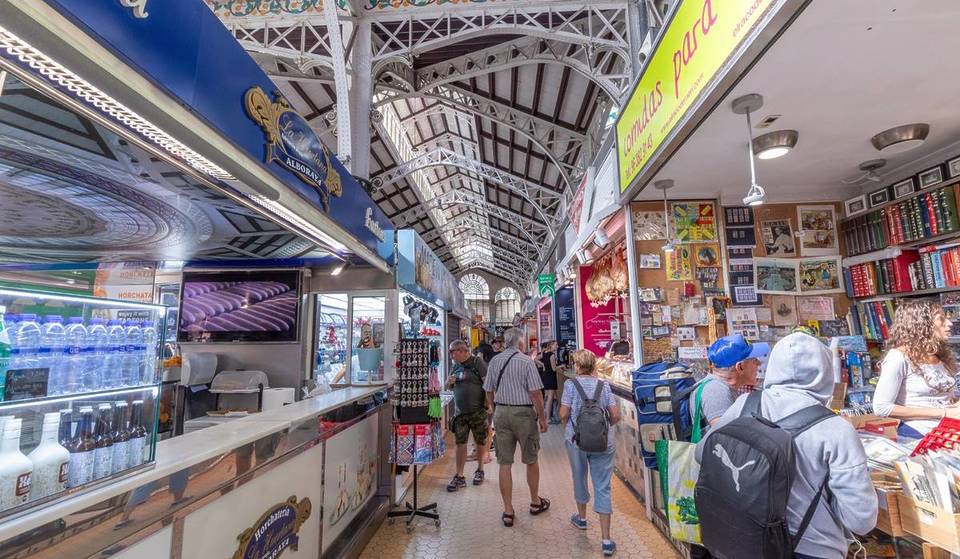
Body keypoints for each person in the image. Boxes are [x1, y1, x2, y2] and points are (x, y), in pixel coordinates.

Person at [697, 331, 877, 559]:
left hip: (747, 539)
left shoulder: (746, 404)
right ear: (824, 371)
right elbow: (860, 519)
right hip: (813, 549)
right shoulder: (837, 429)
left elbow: (702, 452)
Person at [483, 327, 549, 527]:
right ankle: (535, 502)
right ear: (520, 343)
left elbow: (488, 390)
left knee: (505, 463)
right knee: (530, 459)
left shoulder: (495, 361)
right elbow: (536, 393)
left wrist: (496, 408)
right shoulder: (526, 361)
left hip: (501, 413)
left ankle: (508, 511)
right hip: (523, 414)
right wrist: (543, 419)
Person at [559, 350, 620, 556]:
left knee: (579, 477)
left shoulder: (570, 385)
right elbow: (615, 415)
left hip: (577, 441)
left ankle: (582, 519)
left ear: (577, 366)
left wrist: (570, 424)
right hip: (604, 442)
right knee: (603, 486)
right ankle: (606, 539)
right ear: (594, 365)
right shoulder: (604, 386)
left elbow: (564, 414)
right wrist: (603, 429)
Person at [874, 300, 960, 436]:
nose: (949, 323)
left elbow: (944, 397)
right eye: (941, 319)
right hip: (918, 434)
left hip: (948, 432)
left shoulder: (939, 355)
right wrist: (944, 412)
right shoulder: (898, 357)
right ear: (922, 324)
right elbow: (882, 407)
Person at [689, 334, 768, 433]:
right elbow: (728, 439)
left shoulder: (722, 387)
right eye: (754, 360)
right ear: (740, 367)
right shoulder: (716, 391)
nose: (759, 363)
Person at [446, 340, 489, 491]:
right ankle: (459, 476)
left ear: (463, 351)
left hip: (478, 411)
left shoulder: (478, 363)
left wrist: (489, 405)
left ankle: (480, 469)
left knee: (480, 441)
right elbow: (449, 385)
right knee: (460, 443)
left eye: (453, 351)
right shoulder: (455, 366)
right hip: (460, 413)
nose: (451, 354)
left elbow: (488, 384)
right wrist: (449, 382)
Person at [539, 340, 561, 424]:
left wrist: (543, 365)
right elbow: (554, 369)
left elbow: (536, 359)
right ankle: (548, 418)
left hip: (545, 376)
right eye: (556, 345)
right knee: (550, 399)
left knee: (547, 397)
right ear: (551, 345)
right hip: (551, 378)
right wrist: (561, 366)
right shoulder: (552, 355)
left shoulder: (544, 353)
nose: (557, 346)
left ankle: (544, 416)